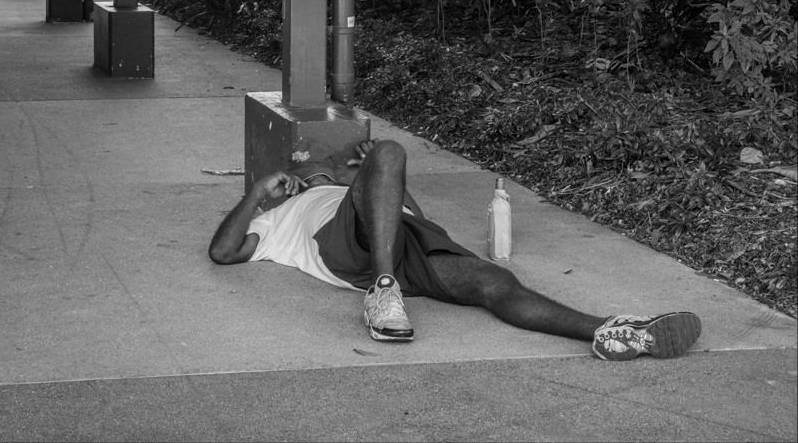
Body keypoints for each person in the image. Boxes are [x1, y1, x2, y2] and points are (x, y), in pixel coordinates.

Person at [209, 138, 703, 361]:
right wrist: (255, 195)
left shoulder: (354, 187)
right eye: (315, 167)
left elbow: (416, 221)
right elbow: (223, 253)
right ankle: (383, 291)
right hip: (347, 252)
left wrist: (377, 178)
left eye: (332, 167)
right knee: (390, 150)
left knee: (495, 283)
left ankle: (614, 332)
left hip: (406, 242)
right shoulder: (279, 218)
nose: (323, 170)